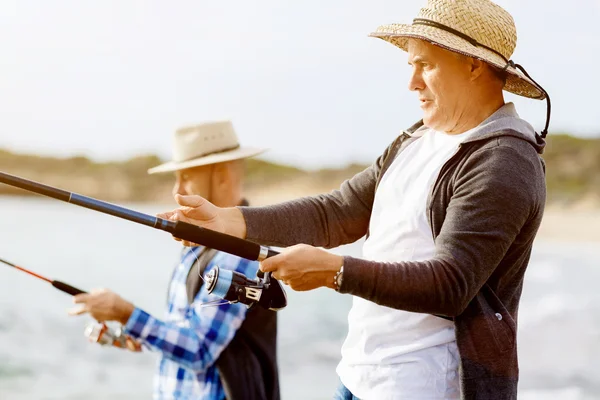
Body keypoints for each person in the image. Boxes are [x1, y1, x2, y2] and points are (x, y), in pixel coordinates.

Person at [161, 1, 551, 399]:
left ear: (473, 65)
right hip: (357, 379)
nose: (412, 82)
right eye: (410, 66)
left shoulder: (504, 161)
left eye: (426, 65)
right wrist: (228, 222)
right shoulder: (416, 140)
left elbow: (450, 285)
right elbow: (337, 213)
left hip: (424, 387)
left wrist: (335, 272)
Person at [69, 121, 280, 400]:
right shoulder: (203, 244)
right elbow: (186, 332)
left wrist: (125, 313)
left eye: (186, 177)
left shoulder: (239, 252)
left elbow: (199, 349)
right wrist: (133, 333)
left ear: (221, 175)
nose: (176, 189)